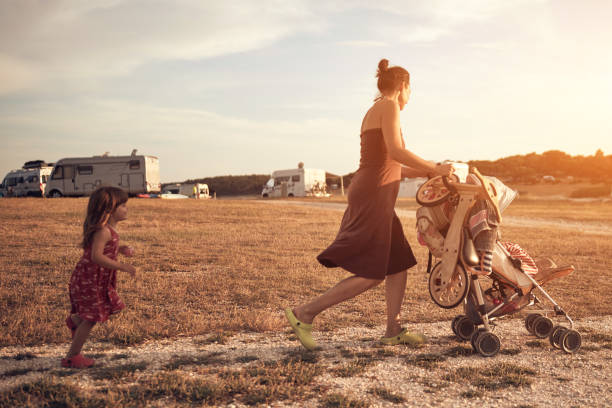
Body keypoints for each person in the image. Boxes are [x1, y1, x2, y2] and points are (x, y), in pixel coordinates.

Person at [285, 58, 454, 350]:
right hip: (374, 192)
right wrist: (434, 167)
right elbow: (397, 152)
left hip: (376, 188)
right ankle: (305, 313)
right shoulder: (388, 106)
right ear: (403, 86)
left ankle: (393, 328)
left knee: (398, 263)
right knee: (372, 273)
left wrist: (430, 169)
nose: (410, 97)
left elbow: (392, 164)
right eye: (410, 90)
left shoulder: (377, 109)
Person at [62, 186, 137, 368]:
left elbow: (104, 248)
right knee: (92, 318)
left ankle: (75, 322)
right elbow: (96, 256)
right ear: (109, 209)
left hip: (96, 279)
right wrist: (122, 266)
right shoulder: (103, 231)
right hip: (91, 280)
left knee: (101, 312)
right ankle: (72, 357)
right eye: (123, 206)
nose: (126, 209)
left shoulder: (108, 230)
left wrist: (121, 249)